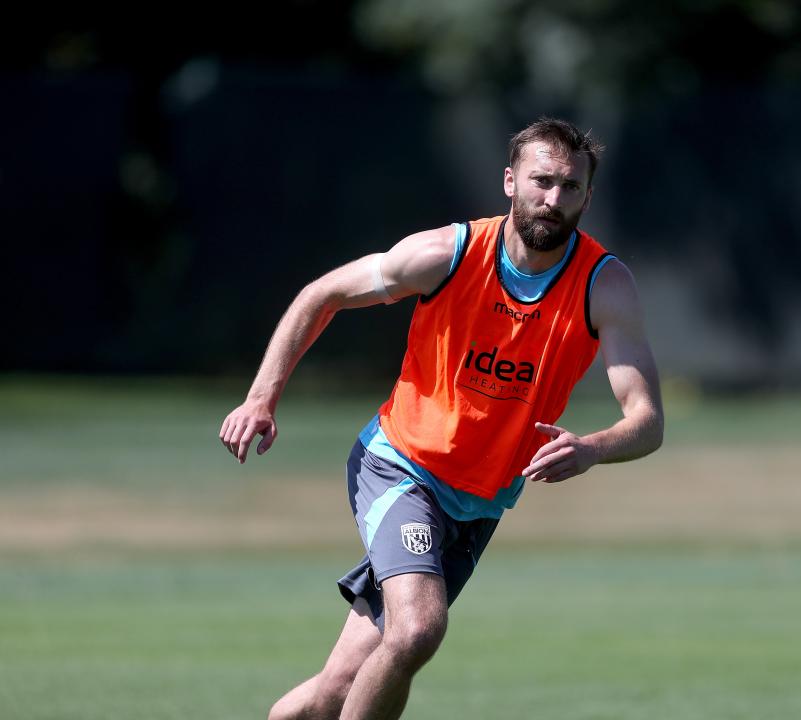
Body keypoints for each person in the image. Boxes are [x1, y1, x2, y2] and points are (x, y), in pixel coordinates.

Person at [219, 117, 664, 720]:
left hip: (477, 505)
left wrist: (592, 447)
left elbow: (646, 420)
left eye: (570, 187)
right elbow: (322, 293)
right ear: (510, 181)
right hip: (401, 468)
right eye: (541, 181)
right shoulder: (447, 255)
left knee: (336, 692)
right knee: (418, 628)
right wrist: (260, 397)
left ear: (588, 195)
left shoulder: (603, 286)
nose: (553, 199)